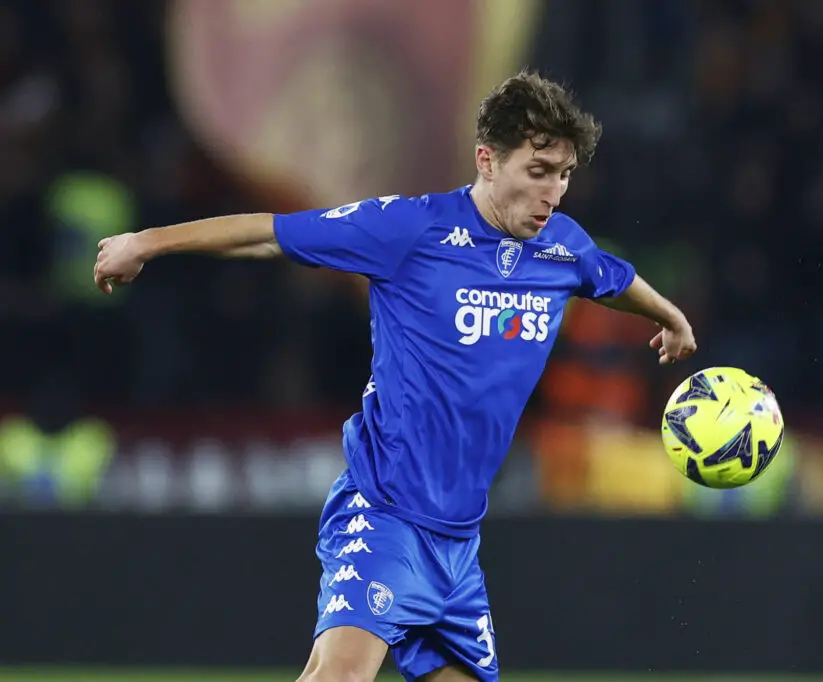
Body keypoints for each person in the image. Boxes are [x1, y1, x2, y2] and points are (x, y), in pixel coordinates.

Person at [93, 71, 697, 682]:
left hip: (458, 543)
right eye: (538, 171)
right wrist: (147, 243)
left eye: (563, 174)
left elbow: (613, 278)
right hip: (386, 514)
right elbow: (270, 237)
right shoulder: (409, 229)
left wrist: (668, 316)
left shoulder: (562, 247)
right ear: (487, 161)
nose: (554, 193)